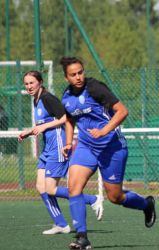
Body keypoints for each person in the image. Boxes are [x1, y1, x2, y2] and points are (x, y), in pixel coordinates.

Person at [59, 57, 156, 249]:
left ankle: (146, 204)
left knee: (115, 197)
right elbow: (69, 119)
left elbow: (122, 111)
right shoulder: (66, 97)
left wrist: (104, 130)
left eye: (80, 72)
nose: (78, 77)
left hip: (111, 147)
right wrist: (69, 142)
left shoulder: (95, 88)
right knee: (73, 188)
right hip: (87, 147)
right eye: (73, 74)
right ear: (66, 77)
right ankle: (82, 237)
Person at [18, 71, 104, 235]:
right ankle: (61, 224)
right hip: (47, 148)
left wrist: (43, 128)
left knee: (50, 188)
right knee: (40, 186)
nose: (29, 86)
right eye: (26, 84)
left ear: (40, 83)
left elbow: (66, 117)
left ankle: (93, 200)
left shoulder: (47, 98)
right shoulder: (36, 100)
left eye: (32, 83)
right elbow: (45, 123)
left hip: (58, 146)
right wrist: (29, 131)